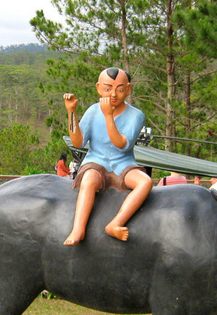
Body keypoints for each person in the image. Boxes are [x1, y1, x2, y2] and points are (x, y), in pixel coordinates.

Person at [63, 67, 152, 245]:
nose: (113, 94)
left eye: (119, 89)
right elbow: (78, 142)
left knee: (145, 182)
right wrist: (71, 112)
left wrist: (109, 116)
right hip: (96, 161)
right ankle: (78, 229)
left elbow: (122, 144)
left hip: (123, 163)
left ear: (128, 89)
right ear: (98, 88)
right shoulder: (93, 111)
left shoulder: (136, 115)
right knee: (89, 180)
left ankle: (115, 223)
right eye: (107, 88)